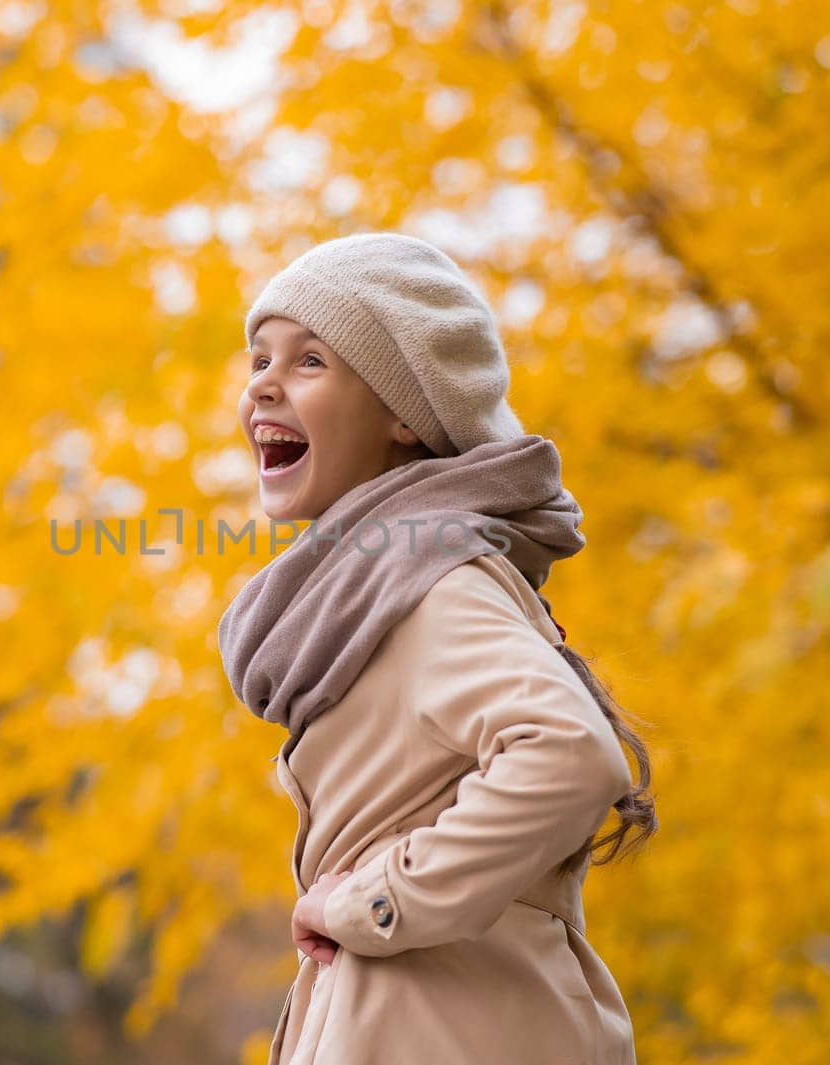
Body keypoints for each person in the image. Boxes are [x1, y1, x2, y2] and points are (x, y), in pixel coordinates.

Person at [218, 232, 658, 1064]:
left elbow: (568, 752)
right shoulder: (380, 587)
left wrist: (376, 902)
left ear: (404, 415)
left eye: (310, 361)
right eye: (258, 359)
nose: (264, 385)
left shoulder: (431, 578)